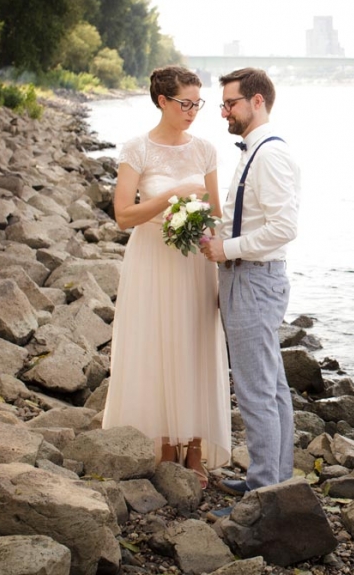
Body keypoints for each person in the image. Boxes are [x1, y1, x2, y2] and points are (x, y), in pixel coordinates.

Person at [102, 65, 231, 488]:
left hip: (194, 261)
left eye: (197, 104)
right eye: (185, 103)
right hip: (152, 259)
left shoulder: (205, 150)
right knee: (156, 343)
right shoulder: (136, 149)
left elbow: (215, 213)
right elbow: (123, 215)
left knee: (194, 344)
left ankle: (193, 448)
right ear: (162, 101)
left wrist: (218, 253)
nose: (193, 111)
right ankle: (163, 444)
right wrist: (171, 198)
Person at [200, 67, 300, 496]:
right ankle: (276, 482)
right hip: (249, 278)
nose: (224, 112)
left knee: (257, 391)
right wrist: (216, 236)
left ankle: (263, 492)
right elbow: (252, 216)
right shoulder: (253, 150)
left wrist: (227, 249)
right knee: (270, 387)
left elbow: (284, 228)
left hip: (254, 281)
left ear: (257, 101)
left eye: (231, 103)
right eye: (222, 104)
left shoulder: (270, 154)